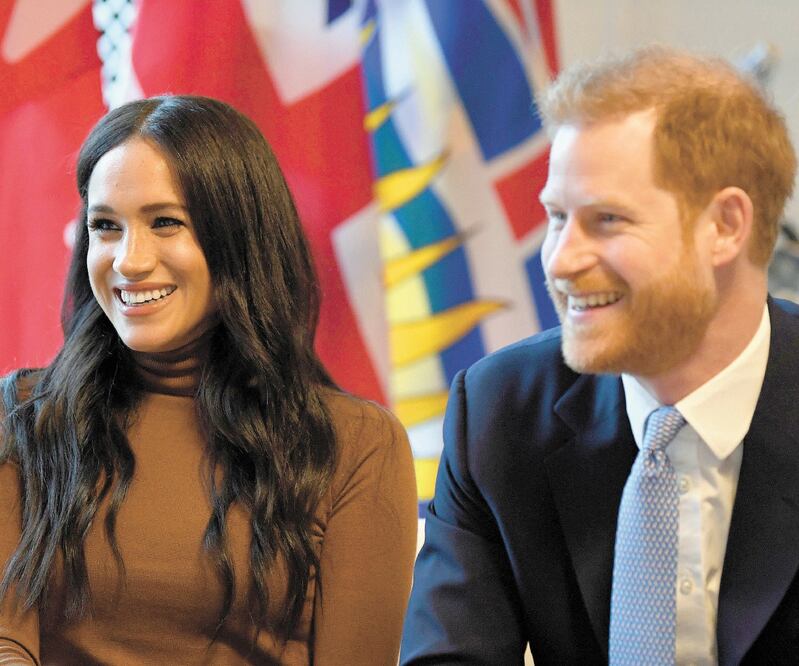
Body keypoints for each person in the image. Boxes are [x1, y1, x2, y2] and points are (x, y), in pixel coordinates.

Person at [400, 46, 799, 665]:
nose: (560, 260)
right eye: (557, 217)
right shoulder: (498, 411)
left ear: (726, 225)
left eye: (607, 219)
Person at [0, 95, 417, 664]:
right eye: (106, 226)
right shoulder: (23, 416)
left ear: (239, 238)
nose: (128, 261)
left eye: (165, 222)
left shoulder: (355, 444)